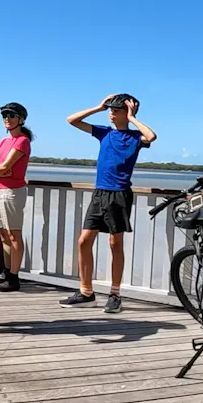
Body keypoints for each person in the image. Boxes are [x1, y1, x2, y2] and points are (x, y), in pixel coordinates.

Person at [61, 93, 157, 313]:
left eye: (116, 110)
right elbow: (72, 120)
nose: (111, 113)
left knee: (115, 244)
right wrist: (99, 106)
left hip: (119, 195)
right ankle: (86, 292)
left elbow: (151, 136)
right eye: (110, 109)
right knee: (84, 240)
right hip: (99, 193)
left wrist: (132, 118)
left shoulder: (134, 138)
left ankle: (115, 294)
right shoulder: (104, 133)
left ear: (127, 112)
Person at [0, 102, 33, 292]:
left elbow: (5, 167)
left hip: (12, 191)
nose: (7, 118)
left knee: (14, 234)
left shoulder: (22, 141)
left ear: (20, 119)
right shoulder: (3, 142)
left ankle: (14, 277)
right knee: (3, 233)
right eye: (5, 115)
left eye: (11, 115)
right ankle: (5, 271)